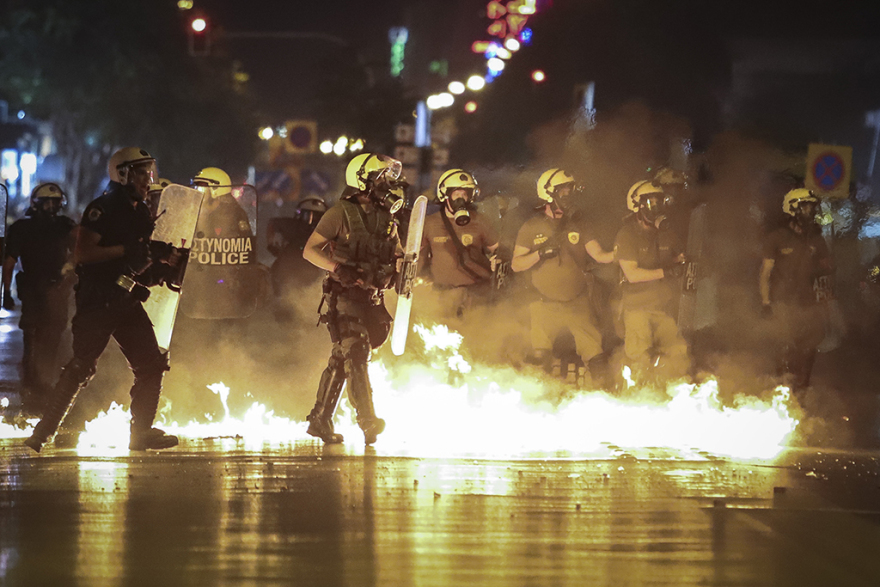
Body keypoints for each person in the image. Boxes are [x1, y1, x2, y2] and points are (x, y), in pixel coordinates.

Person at [24, 147, 181, 452]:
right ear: (122, 173)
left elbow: (137, 259)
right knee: (81, 367)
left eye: (149, 172)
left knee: (151, 364)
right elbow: (84, 253)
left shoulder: (140, 209)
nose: (148, 179)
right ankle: (41, 435)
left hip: (125, 297)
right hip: (98, 300)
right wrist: (127, 250)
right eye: (141, 173)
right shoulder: (103, 208)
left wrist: (161, 260)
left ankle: (141, 433)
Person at [302, 153, 405, 445]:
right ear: (364, 180)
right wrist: (337, 267)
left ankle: (320, 419)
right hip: (344, 295)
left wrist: (399, 271)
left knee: (342, 358)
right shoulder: (341, 212)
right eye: (383, 177)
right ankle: (368, 421)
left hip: (372, 298)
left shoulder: (388, 219)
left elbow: (397, 254)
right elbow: (309, 251)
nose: (389, 183)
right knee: (356, 351)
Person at [512, 168, 614, 386]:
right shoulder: (532, 227)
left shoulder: (580, 224)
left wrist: (618, 253)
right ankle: (537, 400)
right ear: (548, 194)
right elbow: (516, 263)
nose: (568, 195)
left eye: (570, 190)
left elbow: (599, 255)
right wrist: (539, 253)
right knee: (539, 359)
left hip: (577, 302)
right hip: (544, 304)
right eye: (563, 191)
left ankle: (603, 398)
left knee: (596, 358)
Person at [2, 183, 77, 412]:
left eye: (55, 202)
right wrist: (6, 293)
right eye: (47, 202)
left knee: (54, 339)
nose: (51, 206)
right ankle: (31, 386)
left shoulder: (66, 226)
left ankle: (47, 385)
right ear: (36, 204)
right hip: (33, 291)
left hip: (58, 290)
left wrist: (70, 279)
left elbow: (80, 253)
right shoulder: (21, 228)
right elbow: (9, 262)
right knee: (32, 339)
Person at [614, 180, 691, 385]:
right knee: (640, 359)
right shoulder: (627, 234)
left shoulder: (668, 234)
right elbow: (632, 274)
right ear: (637, 206)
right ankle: (638, 400)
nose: (656, 207)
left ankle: (670, 397)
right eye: (650, 202)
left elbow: (679, 259)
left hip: (663, 308)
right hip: (637, 307)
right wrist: (666, 271)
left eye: (659, 202)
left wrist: (682, 262)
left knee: (677, 352)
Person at [759, 188, 833, 392]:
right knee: (784, 345)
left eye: (812, 207)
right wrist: (766, 303)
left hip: (808, 303)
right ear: (792, 209)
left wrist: (826, 303)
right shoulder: (777, 237)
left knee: (809, 347)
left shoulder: (817, 239)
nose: (810, 212)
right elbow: (765, 273)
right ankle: (781, 389)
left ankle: (802, 388)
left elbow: (825, 273)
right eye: (806, 207)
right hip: (782, 301)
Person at [420, 169, 499, 322]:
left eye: (465, 194)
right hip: (443, 295)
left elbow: (498, 248)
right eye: (457, 194)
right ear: (445, 195)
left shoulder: (480, 220)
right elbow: (418, 255)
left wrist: (499, 258)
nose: (461, 199)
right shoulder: (430, 223)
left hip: (476, 295)